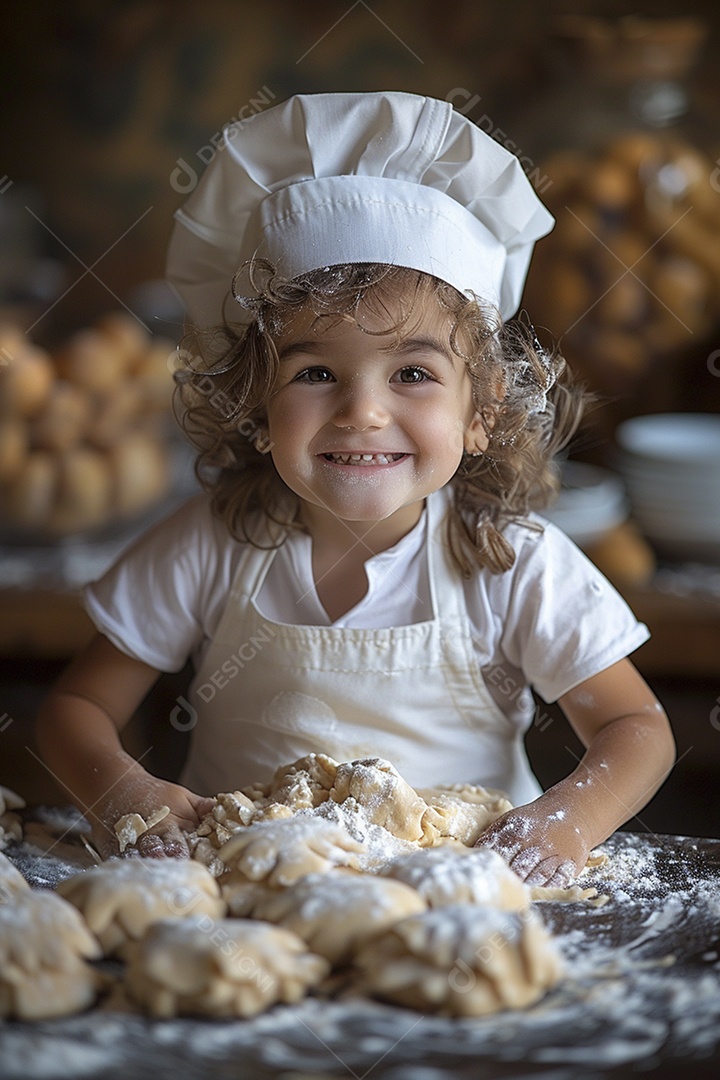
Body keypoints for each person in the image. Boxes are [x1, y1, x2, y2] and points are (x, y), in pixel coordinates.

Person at [35, 91, 675, 885]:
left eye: (413, 373)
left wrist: (567, 822)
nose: (363, 411)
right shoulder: (211, 542)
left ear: (481, 412)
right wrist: (124, 793)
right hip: (250, 910)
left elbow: (635, 725)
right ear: (257, 406)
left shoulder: (515, 564)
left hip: (469, 910)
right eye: (314, 373)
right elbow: (74, 712)